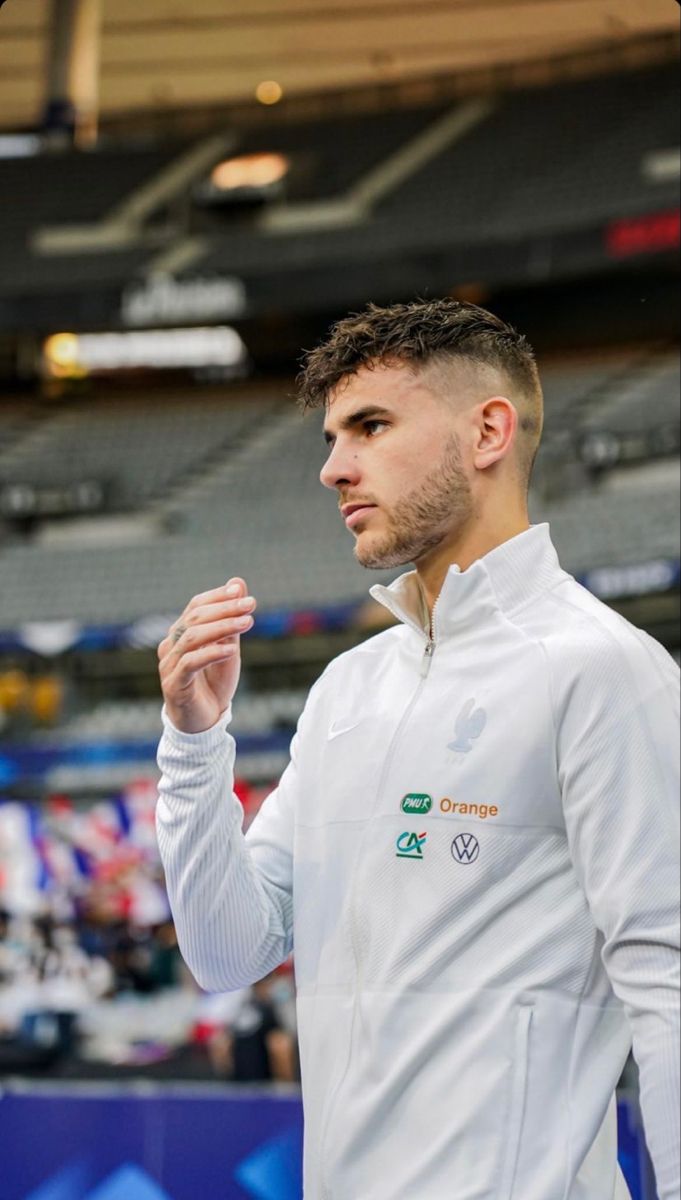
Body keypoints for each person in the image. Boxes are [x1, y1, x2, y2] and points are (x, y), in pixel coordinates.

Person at [156, 299, 680, 1200]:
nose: (332, 469)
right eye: (330, 438)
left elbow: (668, 984)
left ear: (487, 431)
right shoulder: (350, 688)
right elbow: (225, 951)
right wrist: (195, 745)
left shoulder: (602, 670)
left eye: (369, 426)